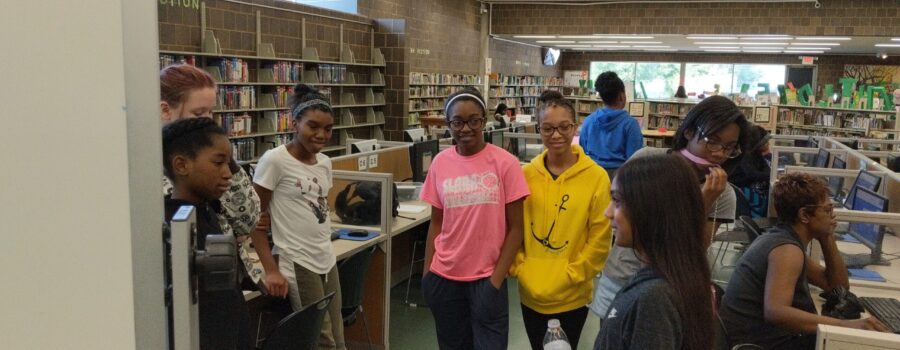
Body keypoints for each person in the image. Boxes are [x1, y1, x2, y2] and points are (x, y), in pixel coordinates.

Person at [589, 95, 749, 319]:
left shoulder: (722, 194)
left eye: (729, 147)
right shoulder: (647, 161)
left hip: (666, 287)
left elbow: (690, 251)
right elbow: (625, 221)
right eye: (712, 140)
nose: (720, 153)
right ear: (689, 132)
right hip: (621, 275)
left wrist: (704, 200)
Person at [720, 173, 890, 349]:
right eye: (827, 210)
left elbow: (836, 286)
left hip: (755, 337)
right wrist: (845, 326)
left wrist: (827, 237)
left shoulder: (784, 238)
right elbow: (776, 312)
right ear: (804, 215)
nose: (833, 216)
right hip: (759, 343)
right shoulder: (787, 250)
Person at [420, 88, 530, 350]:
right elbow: (437, 223)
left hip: (486, 279)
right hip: (444, 278)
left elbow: (516, 229)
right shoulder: (440, 163)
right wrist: (427, 275)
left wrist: (496, 280)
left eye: (474, 120)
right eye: (457, 122)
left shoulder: (505, 163)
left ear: (484, 120)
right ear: (448, 124)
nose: (465, 128)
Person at [511, 90, 612, 350]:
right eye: (548, 128)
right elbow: (513, 228)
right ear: (539, 129)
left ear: (575, 127)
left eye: (564, 127)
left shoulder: (596, 177)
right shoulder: (525, 175)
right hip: (531, 292)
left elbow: (600, 238)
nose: (556, 135)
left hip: (573, 294)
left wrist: (574, 273)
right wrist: (521, 269)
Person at [251, 84, 345, 349]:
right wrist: (271, 269)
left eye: (327, 129)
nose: (321, 134)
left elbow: (317, 208)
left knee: (337, 335)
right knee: (321, 339)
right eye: (313, 126)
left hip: (326, 257)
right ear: (295, 124)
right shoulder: (275, 161)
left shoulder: (325, 162)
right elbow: (255, 222)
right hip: (298, 259)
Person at [593, 154, 714, 350]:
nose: (607, 212)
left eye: (617, 201)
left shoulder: (654, 298)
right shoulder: (667, 276)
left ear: (650, 209)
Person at [162, 117, 252, 350]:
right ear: (181, 165)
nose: (227, 174)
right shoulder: (171, 228)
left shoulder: (208, 210)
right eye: (218, 163)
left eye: (229, 164)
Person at [159, 64, 261, 269]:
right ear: (165, 110)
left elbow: (248, 219)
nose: (208, 121)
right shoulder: (143, 165)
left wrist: (224, 158)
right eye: (198, 114)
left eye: (211, 112)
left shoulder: (214, 151)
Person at [578, 71, 643, 178]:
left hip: (592, 175)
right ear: (622, 96)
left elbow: (582, 152)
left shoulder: (588, 121)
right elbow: (634, 160)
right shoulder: (631, 124)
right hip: (620, 178)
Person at [729, 125, 772, 218]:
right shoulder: (746, 155)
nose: (768, 144)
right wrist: (769, 175)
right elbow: (752, 174)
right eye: (765, 142)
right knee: (764, 201)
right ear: (758, 143)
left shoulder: (756, 153)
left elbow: (766, 169)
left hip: (749, 185)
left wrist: (768, 174)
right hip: (741, 187)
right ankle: (757, 221)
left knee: (769, 195)